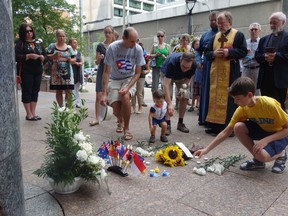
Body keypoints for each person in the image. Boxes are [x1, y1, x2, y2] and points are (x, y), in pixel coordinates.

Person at [195, 77, 288, 174]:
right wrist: (206, 149)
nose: (235, 102)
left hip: (279, 134)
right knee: (238, 127)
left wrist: (265, 141)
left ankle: (281, 154)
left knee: (263, 156)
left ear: (250, 95)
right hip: (263, 130)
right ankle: (259, 160)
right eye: (234, 99)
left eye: (238, 99)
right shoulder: (242, 109)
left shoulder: (269, 104)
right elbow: (226, 131)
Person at [204, 11, 247, 135]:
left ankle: (228, 128)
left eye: (222, 22)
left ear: (229, 22)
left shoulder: (238, 35)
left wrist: (229, 53)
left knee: (230, 99)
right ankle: (214, 126)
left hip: (230, 73)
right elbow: (206, 53)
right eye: (218, 23)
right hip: (215, 74)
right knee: (214, 98)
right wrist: (213, 54)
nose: (220, 25)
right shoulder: (215, 37)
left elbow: (243, 51)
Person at [101, 27, 145, 140]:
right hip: (114, 79)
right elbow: (106, 72)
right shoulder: (113, 48)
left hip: (128, 78)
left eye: (136, 41)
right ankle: (120, 120)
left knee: (125, 97)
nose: (134, 44)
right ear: (123, 38)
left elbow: (137, 73)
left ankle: (127, 128)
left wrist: (128, 87)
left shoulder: (138, 49)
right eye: (132, 41)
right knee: (115, 108)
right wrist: (104, 94)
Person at [255, 12, 288, 110]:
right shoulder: (264, 39)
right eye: (270, 23)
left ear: (283, 22)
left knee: (279, 105)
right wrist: (264, 56)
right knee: (266, 104)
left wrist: (276, 56)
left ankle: (280, 125)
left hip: (281, 78)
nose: (272, 25)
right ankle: (267, 124)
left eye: (275, 22)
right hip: (265, 77)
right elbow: (257, 55)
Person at [15, 23, 46, 121]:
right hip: (26, 71)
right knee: (27, 91)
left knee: (35, 91)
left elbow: (45, 55)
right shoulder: (20, 43)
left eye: (30, 31)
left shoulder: (38, 42)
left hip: (38, 70)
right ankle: (28, 114)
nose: (29, 33)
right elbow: (16, 56)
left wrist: (42, 57)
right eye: (26, 31)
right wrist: (28, 56)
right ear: (23, 33)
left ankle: (33, 112)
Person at [161, 52, 196, 135]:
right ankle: (167, 124)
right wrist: (170, 103)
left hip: (181, 78)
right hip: (167, 76)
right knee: (168, 96)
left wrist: (181, 91)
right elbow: (166, 85)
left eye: (187, 68)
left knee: (185, 97)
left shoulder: (194, 65)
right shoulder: (172, 63)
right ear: (180, 60)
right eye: (183, 66)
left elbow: (187, 79)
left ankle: (180, 123)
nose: (185, 69)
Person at [197, 11, 219, 126]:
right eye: (212, 20)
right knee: (206, 91)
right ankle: (204, 118)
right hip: (207, 65)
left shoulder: (225, 34)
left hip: (221, 67)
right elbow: (198, 50)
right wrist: (198, 61)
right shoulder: (205, 35)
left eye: (216, 20)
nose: (214, 22)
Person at [90, 25, 115, 126]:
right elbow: (96, 62)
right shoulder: (100, 46)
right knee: (98, 96)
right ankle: (97, 118)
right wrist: (99, 58)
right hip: (102, 70)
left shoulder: (116, 45)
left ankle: (118, 119)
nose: (107, 34)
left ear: (112, 33)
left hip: (113, 72)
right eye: (106, 32)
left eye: (109, 32)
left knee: (114, 96)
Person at [47, 29, 76, 107]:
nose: (62, 38)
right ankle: (61, 108)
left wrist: (70, 60)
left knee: (69, 91)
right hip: (56, 72)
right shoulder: (52, 46)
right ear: (56, 36)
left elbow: (74, 59)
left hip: (68, 72)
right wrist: (54, 56)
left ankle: (68, 108)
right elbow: (48, 56)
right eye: (60, 36)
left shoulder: (69, 47)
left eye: (63, 36)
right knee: (59, 91)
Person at [240, 22, 261, 96]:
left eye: (255, 29)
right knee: (244, 89)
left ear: (259, 31)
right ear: (249, 31)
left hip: (257, 70)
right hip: (246, 69)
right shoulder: (245, 42)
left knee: (257, 91)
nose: (253, 31)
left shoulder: (262, 42)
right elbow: (241, 57)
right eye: (252, 29)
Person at [131, 41, 150, 114]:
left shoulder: (145, 59)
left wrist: (145, 72)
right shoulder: (132, 57)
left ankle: (140, 108)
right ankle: (133, 108)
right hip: (133, 76)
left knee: (139, 92)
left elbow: (148, 69)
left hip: (141, 77)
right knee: (133, 92)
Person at [69, 38, 83, 108]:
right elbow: (69, 60)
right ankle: (71, 102)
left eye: (76, 42)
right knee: (72, 88)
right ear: (70, 44)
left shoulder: (79, 52)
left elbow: (82, 60)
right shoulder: (69, 51)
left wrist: (80, 63)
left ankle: (78, 102)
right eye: (74, 42)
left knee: (77, 88)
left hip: (78, 71)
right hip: (72, 71)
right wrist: (76, 63)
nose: (76, 44)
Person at [189, 38, 201, 112]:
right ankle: (192, 105)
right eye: (196, 44)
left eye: (199, 44)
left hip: (200, 74)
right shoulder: (192, 52)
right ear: (193, 45)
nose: (198, 45)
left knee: (199, 91)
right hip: (194, 73)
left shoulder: (201, 52)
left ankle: (199, 105)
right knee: (194, 90)